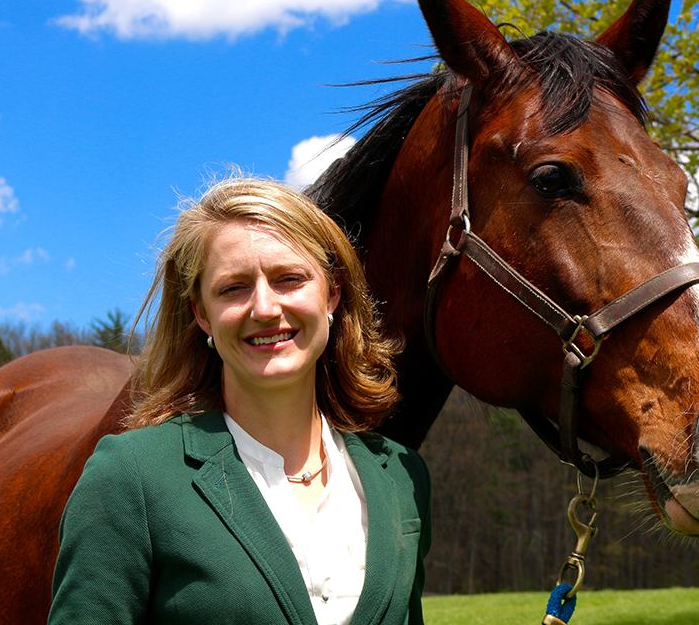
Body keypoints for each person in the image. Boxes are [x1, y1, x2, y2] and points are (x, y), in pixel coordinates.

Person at [48, 178, 431, 625]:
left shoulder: (403, 479)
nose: (265, 308)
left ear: (332, 293)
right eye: (233, 288)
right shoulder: (130, 477)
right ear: (201, 313)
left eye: (290, 279)